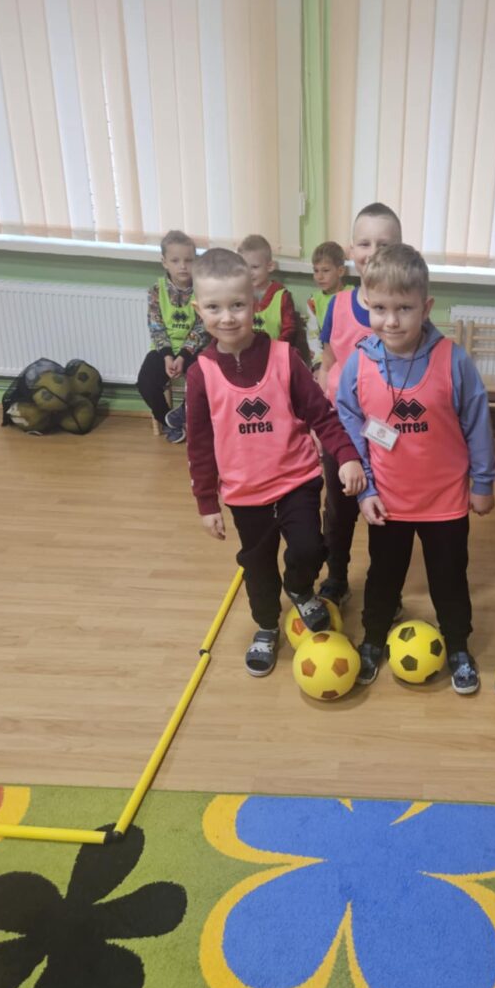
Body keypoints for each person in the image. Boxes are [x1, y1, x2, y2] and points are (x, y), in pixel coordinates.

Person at [185, 248, 365, 677]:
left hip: (296, 480)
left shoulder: (285, 358)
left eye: (237, 305)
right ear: (198, 309)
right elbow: (200, 445)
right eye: (214, 307)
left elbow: (322, 415)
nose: (227, 317)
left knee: (309, 547)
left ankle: (300, 588)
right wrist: (207, 502)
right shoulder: (200, 374)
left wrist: (346, 456)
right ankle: (266, 625)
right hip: (244, 493)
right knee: (258, 566)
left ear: (255, 302)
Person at [336, 244, 495, 695]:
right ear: (367, 304)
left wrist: (483, 482)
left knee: (449, 579)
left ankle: (458, 645)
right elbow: (348, 418)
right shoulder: (360, 362)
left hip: (446, 501)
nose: (391, 321)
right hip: (387, 500)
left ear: (425, 307)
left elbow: (478, 422)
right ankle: (372, 639)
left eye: (404, 308)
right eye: (380, 308)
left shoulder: (454, 360)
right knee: (383, 577)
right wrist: (366, 487)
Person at [317, 203, 403, 605]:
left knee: (387, 511)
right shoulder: (336, 306)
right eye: (364, 243)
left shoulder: (405, 312)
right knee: (339, 509)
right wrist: (320, 424)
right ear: (351, 250)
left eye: (384, 244)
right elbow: (327, 364)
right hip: (341, 430)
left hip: (387, 433)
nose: (373, 252)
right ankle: (336, 576)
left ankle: (383, 587)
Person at [137, 230, 203, 443]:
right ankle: (168, 421)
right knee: (145, 381)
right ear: (164, 262)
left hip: (193, 348)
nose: (183, 266)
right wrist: (167, 356)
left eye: (188, 260)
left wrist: (183, 356)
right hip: (163, 349)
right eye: (175, 260)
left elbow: (201, 328)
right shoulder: (156, 291)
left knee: (203, 377)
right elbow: (156, 327)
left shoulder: (203, 290)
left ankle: (183, 414)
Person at [306, 241, 348, 368]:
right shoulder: (314, 302)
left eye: (325, 270)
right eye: (316, 270)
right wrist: (319, 364)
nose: (319, 277)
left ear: (340, 271)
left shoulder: (352, 296)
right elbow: (313, 336)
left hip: (349, 359)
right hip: (325, 361)